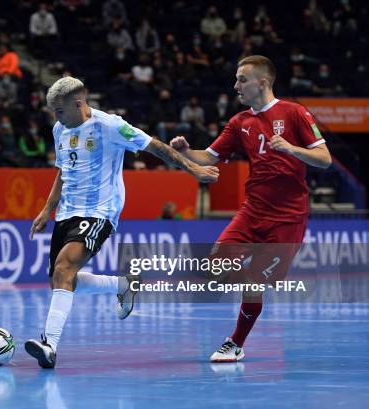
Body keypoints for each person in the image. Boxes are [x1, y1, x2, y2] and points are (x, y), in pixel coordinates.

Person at [25, 76, 219, 368]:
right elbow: (62, 170)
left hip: (100, 211)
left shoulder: (111, 125)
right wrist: (47, 209)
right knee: (61, 279)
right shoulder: (59, 129)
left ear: (79, 103)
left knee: (64, 268)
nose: (57, 118)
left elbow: (156, 147)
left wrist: (194, 169)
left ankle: (49, 345)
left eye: (61, 111)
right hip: (67, 212)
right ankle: (123, 284)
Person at [169, 55, 331, 362]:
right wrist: (187, 151)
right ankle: (253, 283)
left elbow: (324, 158)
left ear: (263, 82)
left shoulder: (294, 113)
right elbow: (210, 157)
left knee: (255, 283)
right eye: (236, 79)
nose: (236, 85)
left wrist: (291, 148)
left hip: (288, 219)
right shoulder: (239, 121)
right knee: (215, 270)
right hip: (252, 212)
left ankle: (236, 342)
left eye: (242, 79)